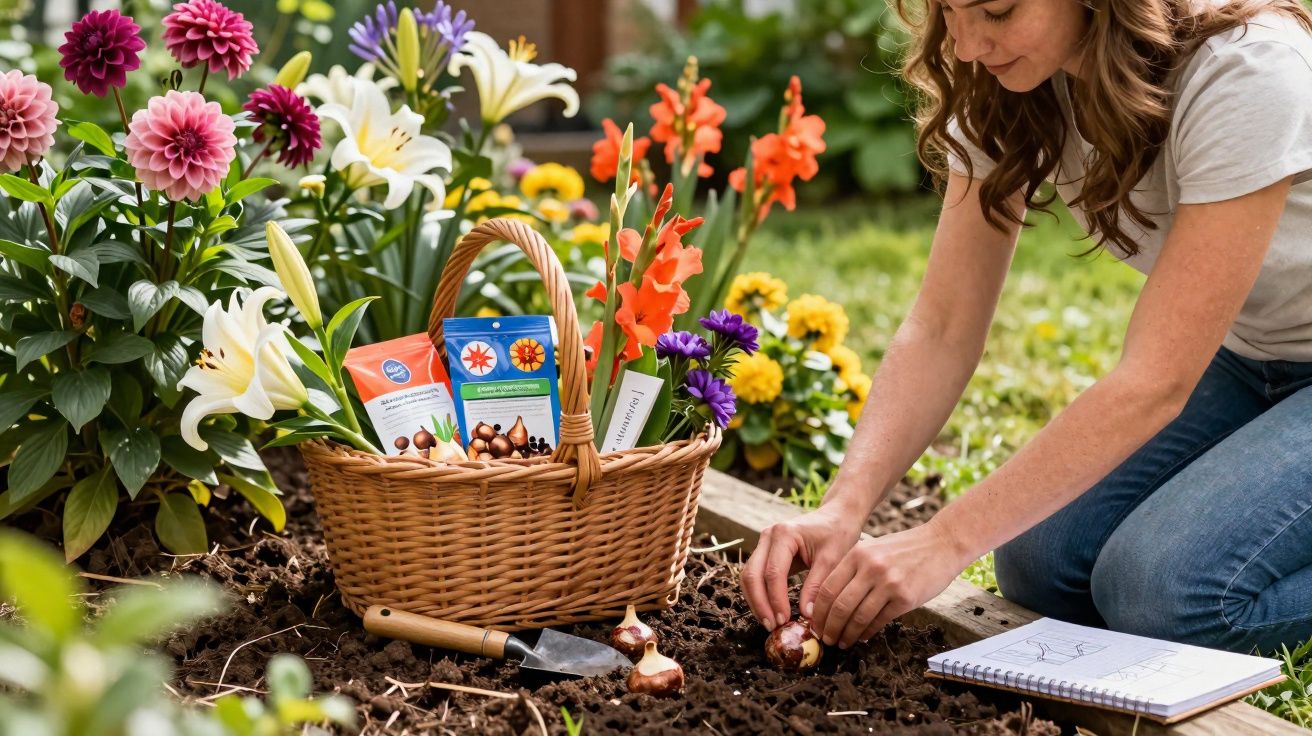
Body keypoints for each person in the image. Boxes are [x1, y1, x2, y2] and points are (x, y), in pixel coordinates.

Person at [742, 0, 1312, 656]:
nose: (966, 45)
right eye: (948, 10)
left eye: (997, 10)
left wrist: (944, 540)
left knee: (1165, 596)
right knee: (1040, 562)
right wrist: (842, 508)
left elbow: (1155, 381)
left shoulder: (1245, 71)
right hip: (1247, 356)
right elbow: (944, 325)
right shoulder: (1014, 77)